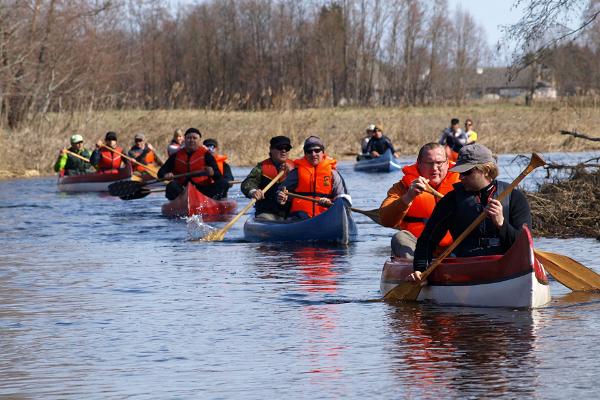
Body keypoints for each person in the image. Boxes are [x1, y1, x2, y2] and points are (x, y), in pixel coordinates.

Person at [408, 143, 532, 281]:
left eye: (466, 172)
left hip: (505, 265)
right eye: (460, 173)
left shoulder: (515, 198)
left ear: (486, 170)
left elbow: (524, 245)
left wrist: (501, 224)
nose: (461, 177)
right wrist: (420, 270)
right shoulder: (451, 200)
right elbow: (427, 241)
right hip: (466, 266)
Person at [379, 142, 460, 259]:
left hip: (455, 247)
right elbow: (386, 220)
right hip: (418, 248)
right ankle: (417, 269)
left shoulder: (464, 182)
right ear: (419, 163)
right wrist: (408, 197)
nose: (434, 168)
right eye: (429, 163)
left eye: (439, 163)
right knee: (399, 237)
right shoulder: (403, 187)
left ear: (447, 163)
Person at [277, 136, 349, 219]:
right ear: (305, 154)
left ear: (323, 152)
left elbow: (343, 198)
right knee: (300, 215)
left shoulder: (333, 173)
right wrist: (281, 197)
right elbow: (281, 191)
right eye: (309, 151)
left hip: (326, 215)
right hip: (300, 217)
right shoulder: (296, 172)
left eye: (317, 150)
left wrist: (330, 202)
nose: (313, 154)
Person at [158, 127, 228, 200]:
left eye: (194, 138)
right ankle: (179, 202)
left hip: (203, 190)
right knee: (171, 185)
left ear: (199, 141)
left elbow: (218, 177)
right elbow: (160, 172)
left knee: (223, 183)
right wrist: (165, 175)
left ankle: (218, 201)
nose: (191, 140)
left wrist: (212, 173)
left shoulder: (207, 155)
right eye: (189, 138)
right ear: (184, 140)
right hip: (183, 191)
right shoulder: (176, 156)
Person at [241, 136, 295, 220]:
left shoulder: (296, 168)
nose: (284, 151)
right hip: (267, 213)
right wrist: (253, 192)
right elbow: (247, 183)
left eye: (287, 148)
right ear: (271, 150)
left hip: (290, 214)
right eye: (280, 147)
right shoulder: (261, 168)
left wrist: (291, 174)